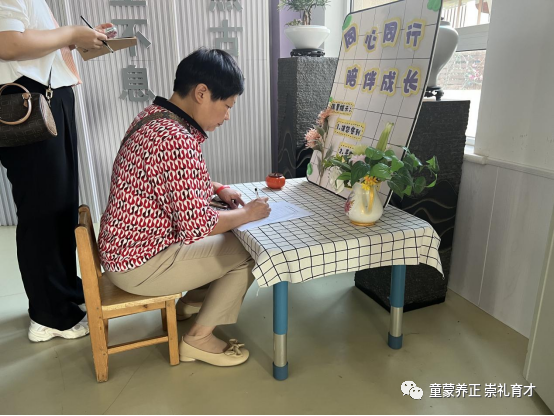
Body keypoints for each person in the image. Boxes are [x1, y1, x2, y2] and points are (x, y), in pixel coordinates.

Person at [98, 48, 271, 367]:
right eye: (227, 106)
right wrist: (248, 213)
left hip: (122, 252)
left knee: (231, 235)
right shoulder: (175, 138)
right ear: (202, 93)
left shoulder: (154, 117)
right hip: (139, 265)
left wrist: (217, 188)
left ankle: (191, 304)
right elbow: (198, 226)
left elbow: (170, 182)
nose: (227, 116)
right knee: (249, 249)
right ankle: (198, 339)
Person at [0, 0, 113, 342]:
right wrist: (73, 33)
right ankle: (48, 315)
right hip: (27, 103)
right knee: (42, 212)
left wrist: (77, 40)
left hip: (46, 98)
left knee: (59, 207)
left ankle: (62, 292)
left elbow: (28, 43)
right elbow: (8, 43)